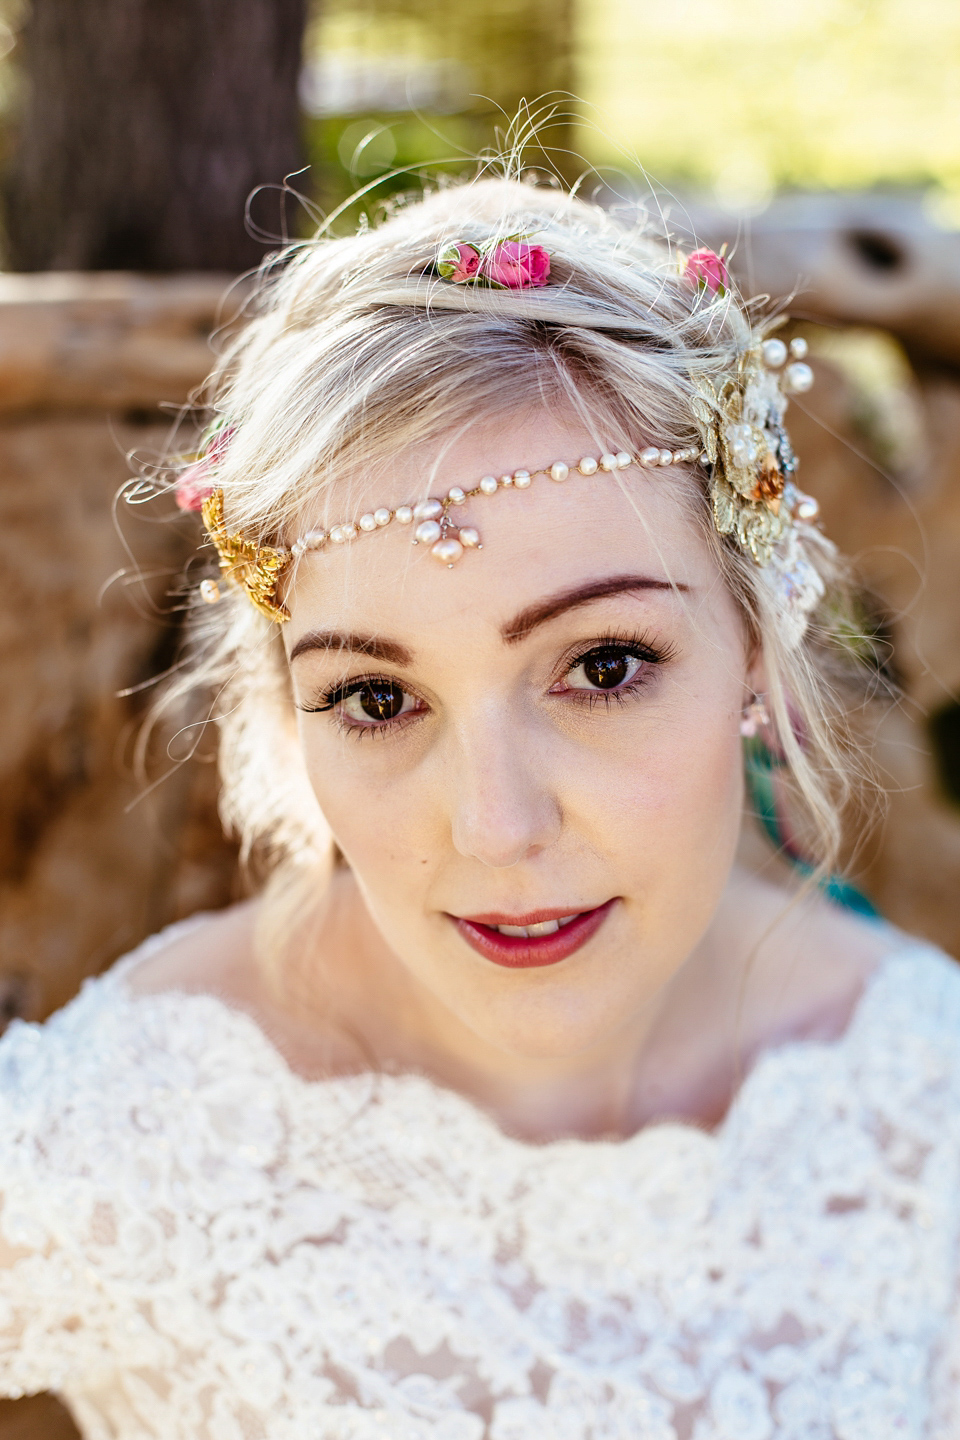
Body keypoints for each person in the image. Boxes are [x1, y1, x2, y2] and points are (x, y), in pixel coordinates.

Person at [0, 173, 956, 1440]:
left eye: (604, 667)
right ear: (292, 708)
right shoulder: (128, 1134)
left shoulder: (927, 1107)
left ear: (754, 644)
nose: (494, 828)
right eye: (377, 700)